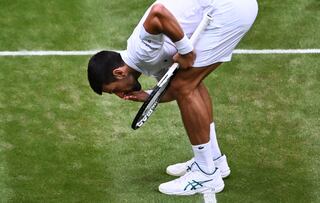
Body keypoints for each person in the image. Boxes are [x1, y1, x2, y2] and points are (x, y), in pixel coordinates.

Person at [87, 0, 258, 196]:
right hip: (235, 8)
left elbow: (157, 13)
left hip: (229, 9)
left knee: (186, 85)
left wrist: (185, 50)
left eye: (113, 90)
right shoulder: (149, 63)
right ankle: (214, 159)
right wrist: (146, 96)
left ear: (118, 73)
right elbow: (173, 90)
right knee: (190, 83)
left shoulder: (142, 51)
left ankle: (206, 174)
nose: (119, 95)